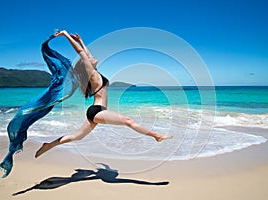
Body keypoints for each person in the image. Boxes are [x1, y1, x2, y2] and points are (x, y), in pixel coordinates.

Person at [35, 30, 172, 158]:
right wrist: (66, 35)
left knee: (78, 136)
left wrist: (81, 40)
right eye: (90, 58)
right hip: (97, 111)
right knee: (128, 121)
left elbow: (86, 53)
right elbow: (81, 52)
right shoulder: (91, 73)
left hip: (97, 111)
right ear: (87, 64)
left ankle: (49, 145)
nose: (93, 57)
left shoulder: (95, 72)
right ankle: (156, 136)